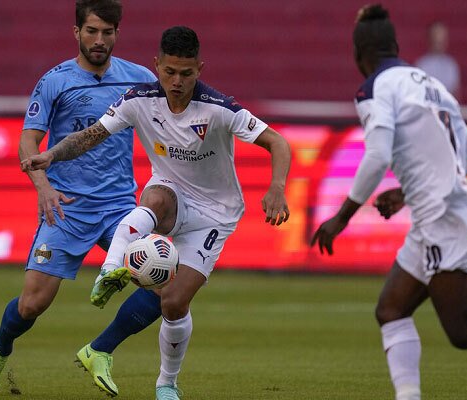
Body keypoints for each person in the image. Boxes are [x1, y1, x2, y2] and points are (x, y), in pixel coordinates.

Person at [22, 25, 291, 400]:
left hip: (215, 213)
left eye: (186, 73)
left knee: (174, 301)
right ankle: (109, 271)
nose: (176, 81)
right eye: (169, 72)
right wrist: (50, 154)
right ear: (157, 65)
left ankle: (166, 383)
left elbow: (277, 142)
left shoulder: (219, 109)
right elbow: (90, 136)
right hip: (171, 192)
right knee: (155, 199)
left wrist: (276, 188)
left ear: (200, 68)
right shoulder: (138, 99)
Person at [0, 0, 157, 396]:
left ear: (117, 34)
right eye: (91, 31)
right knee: (32, 305)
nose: (99, 40)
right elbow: (28, 140)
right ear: (76, 32)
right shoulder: (55, 81)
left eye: (107, 32)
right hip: (66, 209)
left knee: (164, 285)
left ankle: (101, 350)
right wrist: (44, 187)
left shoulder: (139, 79)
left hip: (119, 208)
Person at [311, 5, 467, 400]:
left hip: (445, 218)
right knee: (391, 311)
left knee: (464, 331)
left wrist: (341, 218)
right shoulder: (432, 84)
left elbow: (377, 156)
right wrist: (407, 192)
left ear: (359, 56)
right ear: (395, 45)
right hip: (440, 214)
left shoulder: (376, 87)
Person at [415, 21, 461, 98]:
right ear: (430, 38)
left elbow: (455, 93)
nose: (439, 40)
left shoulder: (451, 65)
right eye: (436, 35)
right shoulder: (422, 65)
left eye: (442, 37)